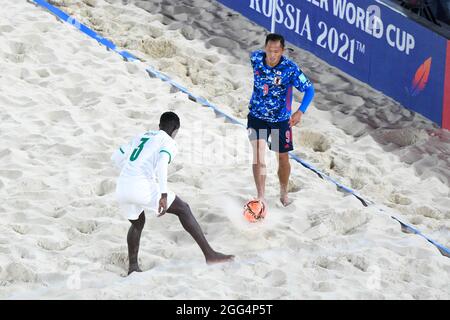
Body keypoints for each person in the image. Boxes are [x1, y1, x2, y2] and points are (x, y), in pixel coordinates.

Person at [111, 111, 234, 275]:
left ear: (159, 125)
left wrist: (130, 173)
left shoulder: (142, 136)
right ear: (175, 130)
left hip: (122, 186)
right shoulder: (169, 141)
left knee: (137, 223)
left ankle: (133, 266)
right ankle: (210, 255)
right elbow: (162, 163)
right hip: (141, 185)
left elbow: (116, 157)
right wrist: (163, 195)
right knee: (183, 209)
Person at [248, 33, 315, 207]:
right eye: (269, 50)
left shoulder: (290, 68)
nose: (272, 55)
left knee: (283, 158)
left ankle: (284, 193)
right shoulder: (255, 58)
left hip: (280, 120)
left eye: (276, 51)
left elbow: (309, 90)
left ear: (282, 51)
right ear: (265, 49)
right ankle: (261, 197)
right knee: (258, 154)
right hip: (257, 116)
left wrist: (300, 112)